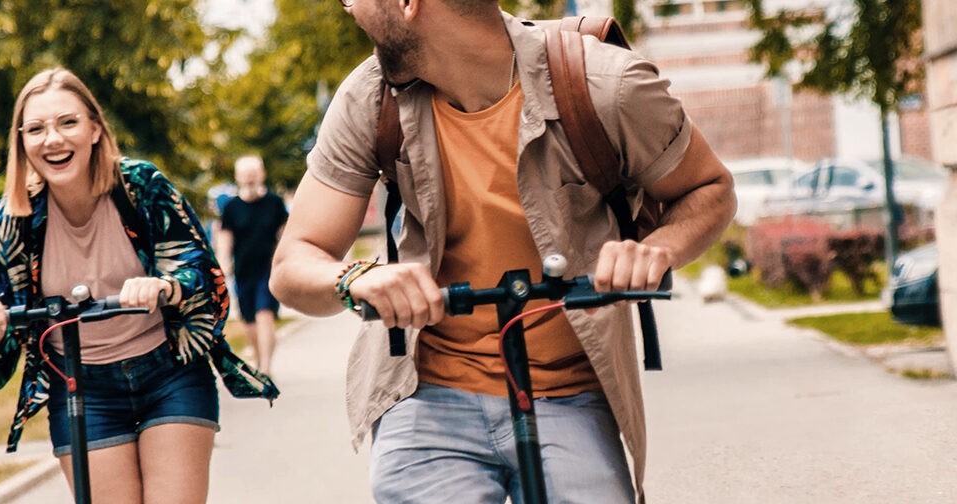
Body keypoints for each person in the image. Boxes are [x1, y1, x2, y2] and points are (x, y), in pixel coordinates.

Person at [269, 2, 736, 503]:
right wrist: (354, 278)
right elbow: (294, 265)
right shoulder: (369, 98)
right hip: (425, 397)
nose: (348, 7)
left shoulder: (604, 84)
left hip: (571, 395)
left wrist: (657, 249)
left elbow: (710, 189)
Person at [0, 67, 278, 503]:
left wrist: (164, 287)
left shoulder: (140, 188)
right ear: (22, 142)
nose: (52, 139)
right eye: (36, 129)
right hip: (82, 387)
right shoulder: (14, 220)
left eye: (67, 123)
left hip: (168, 373)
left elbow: (205, 277)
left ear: (94, 129)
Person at [215, 155, 289, 374]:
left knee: (264, 314)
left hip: (269, 269)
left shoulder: (274, 203)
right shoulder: (231, 207)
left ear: (261, 175)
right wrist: (223, 263)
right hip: (243, 271)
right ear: (238, 177)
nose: (249, 177)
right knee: (249, 321)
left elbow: (284, 234)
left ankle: (266, 367)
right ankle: (258, 360)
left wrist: (285, 259)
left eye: (253, 173)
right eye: (245, 173)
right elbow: (225, 238)